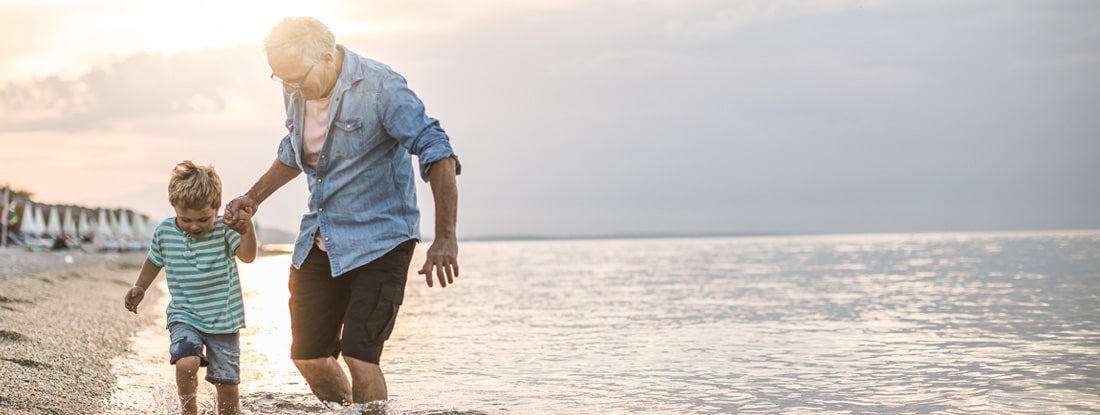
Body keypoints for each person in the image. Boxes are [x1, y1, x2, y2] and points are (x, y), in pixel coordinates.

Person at [222, 16, 462, 409]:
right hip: (323, 236)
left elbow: (439, 152)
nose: (291, 88)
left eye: (297, 78)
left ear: (327, 56)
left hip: (382, 239)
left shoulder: (382, 88)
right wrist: (253, 197)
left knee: (359, 354)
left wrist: (446, 237)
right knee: (308, 356)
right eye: (281, 79)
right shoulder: (295, 88)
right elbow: (294, 149)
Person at [124, 161, 258, 415]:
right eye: (186, 219)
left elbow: (248, 256)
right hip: (184, 314)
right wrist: (140, 287)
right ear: (174, 207)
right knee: (186, 361)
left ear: (216, 207)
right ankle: (189, 410)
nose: (194, 226)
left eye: (203, 219)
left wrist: (246, 229)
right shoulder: (165, 231)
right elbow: (154, 260)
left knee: (227, 386)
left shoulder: (224, 229)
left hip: (224, 320)